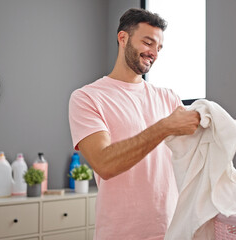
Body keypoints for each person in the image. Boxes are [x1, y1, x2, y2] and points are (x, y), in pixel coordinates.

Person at [69, 8, 201, 240]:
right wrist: (164, 127)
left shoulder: (168, 97)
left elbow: (194, 149)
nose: (154, 53)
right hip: (121, 234)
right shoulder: (87, 97)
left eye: (158, 48)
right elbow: (104, 163)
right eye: (148, 42)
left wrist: (223, 128)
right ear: (123, 38)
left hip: (172, 231)